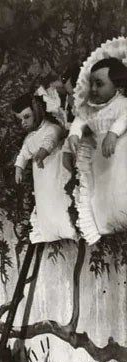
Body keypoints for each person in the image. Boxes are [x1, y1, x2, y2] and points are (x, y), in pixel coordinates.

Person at [66, 43, 127, 244]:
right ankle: (105, 221)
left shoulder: (121, 104)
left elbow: (125, 117)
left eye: (99, 84)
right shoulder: (90, 108)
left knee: (120, 186)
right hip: (100, 158)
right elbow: (80, 120)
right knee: (101, 192)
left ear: (117, 86)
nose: (93, 89)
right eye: (91, 84)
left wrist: (113, 133)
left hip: (119, 153)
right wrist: (74, 134)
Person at [12, 90, 77, 242]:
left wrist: (41, 154)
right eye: (20, 119)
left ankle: (69, 227)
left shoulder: (51, 128)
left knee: (59, 198)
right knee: (45, 202)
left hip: (54, 170)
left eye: (27, 117)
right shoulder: (29, 138)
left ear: (37, 112)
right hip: (41, 178)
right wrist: (18, 168)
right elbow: (23, 154)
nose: (23, 122)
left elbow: (50, 141)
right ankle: (49, 230)